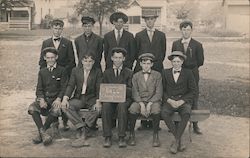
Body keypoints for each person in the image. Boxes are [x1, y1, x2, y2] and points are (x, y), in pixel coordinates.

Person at [39, 19, 76, 131]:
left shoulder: (67, 42)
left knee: (63, 95)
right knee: (50, 96)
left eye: (60, 28)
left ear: (62, 29)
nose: (57, 30)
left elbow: (72, 61)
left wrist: (62, 70)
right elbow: (41, 61)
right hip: (49, 75)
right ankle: (53, 120)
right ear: (52, 29)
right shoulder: (46, 43)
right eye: (55, 28)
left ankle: (64, 122)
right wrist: (48, 72)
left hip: (63, 74)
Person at [28, 47, 68, 145]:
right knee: (32, 108)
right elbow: (39, 89)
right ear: (45, 58)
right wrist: (41, 99)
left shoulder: (62, 70)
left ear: (56, 57)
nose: (50, 60)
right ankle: (44, 133)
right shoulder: (42, 71)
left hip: (56, 100)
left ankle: (41, 133)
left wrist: (59, 99)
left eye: (52, 57)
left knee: (56, 110)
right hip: (45, 99)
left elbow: (64, 88)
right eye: (48, 58)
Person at [61, 53, 102, 148]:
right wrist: (65, 98)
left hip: (92, 98)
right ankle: (82, 127)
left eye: (90, 61)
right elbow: (71, 85)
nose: (88, 63)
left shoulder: (97, 72)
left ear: (93, 62)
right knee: (67, 107)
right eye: (86, 61)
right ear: (82, 61)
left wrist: (98, 101)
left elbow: (99, 87)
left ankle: (85, 128)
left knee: (97, 109)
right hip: (79, 97)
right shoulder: (75, 71)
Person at [134, 12, 166, 130]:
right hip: (143, 67)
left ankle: (153, 122)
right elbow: (136, 52)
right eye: (147, 20)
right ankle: (143, 122)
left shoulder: (161, 35)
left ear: (155, 21)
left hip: (157, 66)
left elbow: (163, 52)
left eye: (152, 19)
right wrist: (144, 66)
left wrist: (154, 65)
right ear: (145, 21)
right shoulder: (139, 35)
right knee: (144, 91)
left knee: (154, 92)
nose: (150, 22)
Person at [171, 20, 204, 134]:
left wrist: (189, 68)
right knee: (177, 94)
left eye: (188, 29)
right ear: (181, 30)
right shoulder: (176, 44)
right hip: (179, 73)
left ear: (191, 30)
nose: (185, 32)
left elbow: (200, 61)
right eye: (183, 29)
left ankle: (195, 125)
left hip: (192, 74)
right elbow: (173, 58)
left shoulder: (197, 44)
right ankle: (175, 123)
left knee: (193, 97)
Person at [161, 51, 197, 154]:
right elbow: (162, 90)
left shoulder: (188, 73)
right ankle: (179, 141)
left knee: (186, 113)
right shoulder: (165, 72)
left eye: (178, 61)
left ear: (182, 62)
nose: (176, 63)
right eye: (174, 61)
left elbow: (193, 91)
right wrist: (169, 100)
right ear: (171, 62)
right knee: (164, 113)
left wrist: (182, 101)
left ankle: (176, 141)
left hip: (183, 101)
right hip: (170, 100)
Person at [128, 53, 162, 147]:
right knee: (132, 109)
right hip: (139, 100)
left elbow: (159, 92)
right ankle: (131, 134)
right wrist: (142, 104)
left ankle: (155, 135)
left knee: (156, 110)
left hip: (153, 100)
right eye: (144, 63)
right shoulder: (136, 76)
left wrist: (150, 103)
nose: (146, 65)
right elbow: (134, 92)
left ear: (152, 64)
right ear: (140, 64)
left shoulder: (157, 75)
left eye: (148, 63)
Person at [101, 47, 133, 148]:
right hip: (110, 99)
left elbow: (131, 90)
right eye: (115, 57)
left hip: (124, 99)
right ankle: (107, 136)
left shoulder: (129, 72)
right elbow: (103, 88)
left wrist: (119, 89)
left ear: (124, 59)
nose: (118, 60)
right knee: (105, 105)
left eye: (120, 58)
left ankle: (121, 136)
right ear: (111, 58)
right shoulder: (107, 72)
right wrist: (111, 91)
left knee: (122, 106)